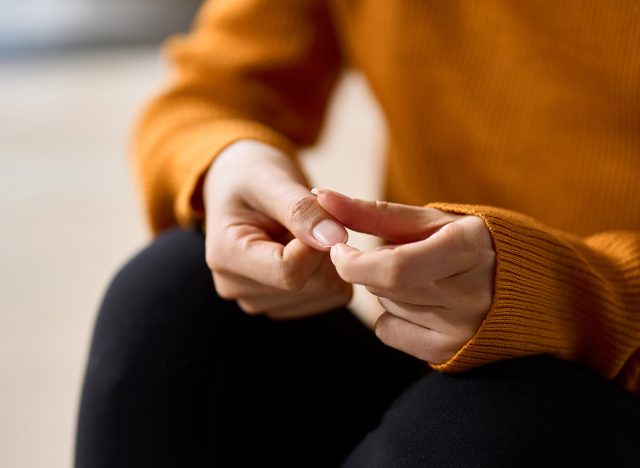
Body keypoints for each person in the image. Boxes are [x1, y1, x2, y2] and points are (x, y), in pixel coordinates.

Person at [75, 1, 640, 466]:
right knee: (171, 296)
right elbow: (209, 91)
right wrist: (229, 160)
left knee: (481, 430)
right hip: (440, 360)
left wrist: (563, 293)